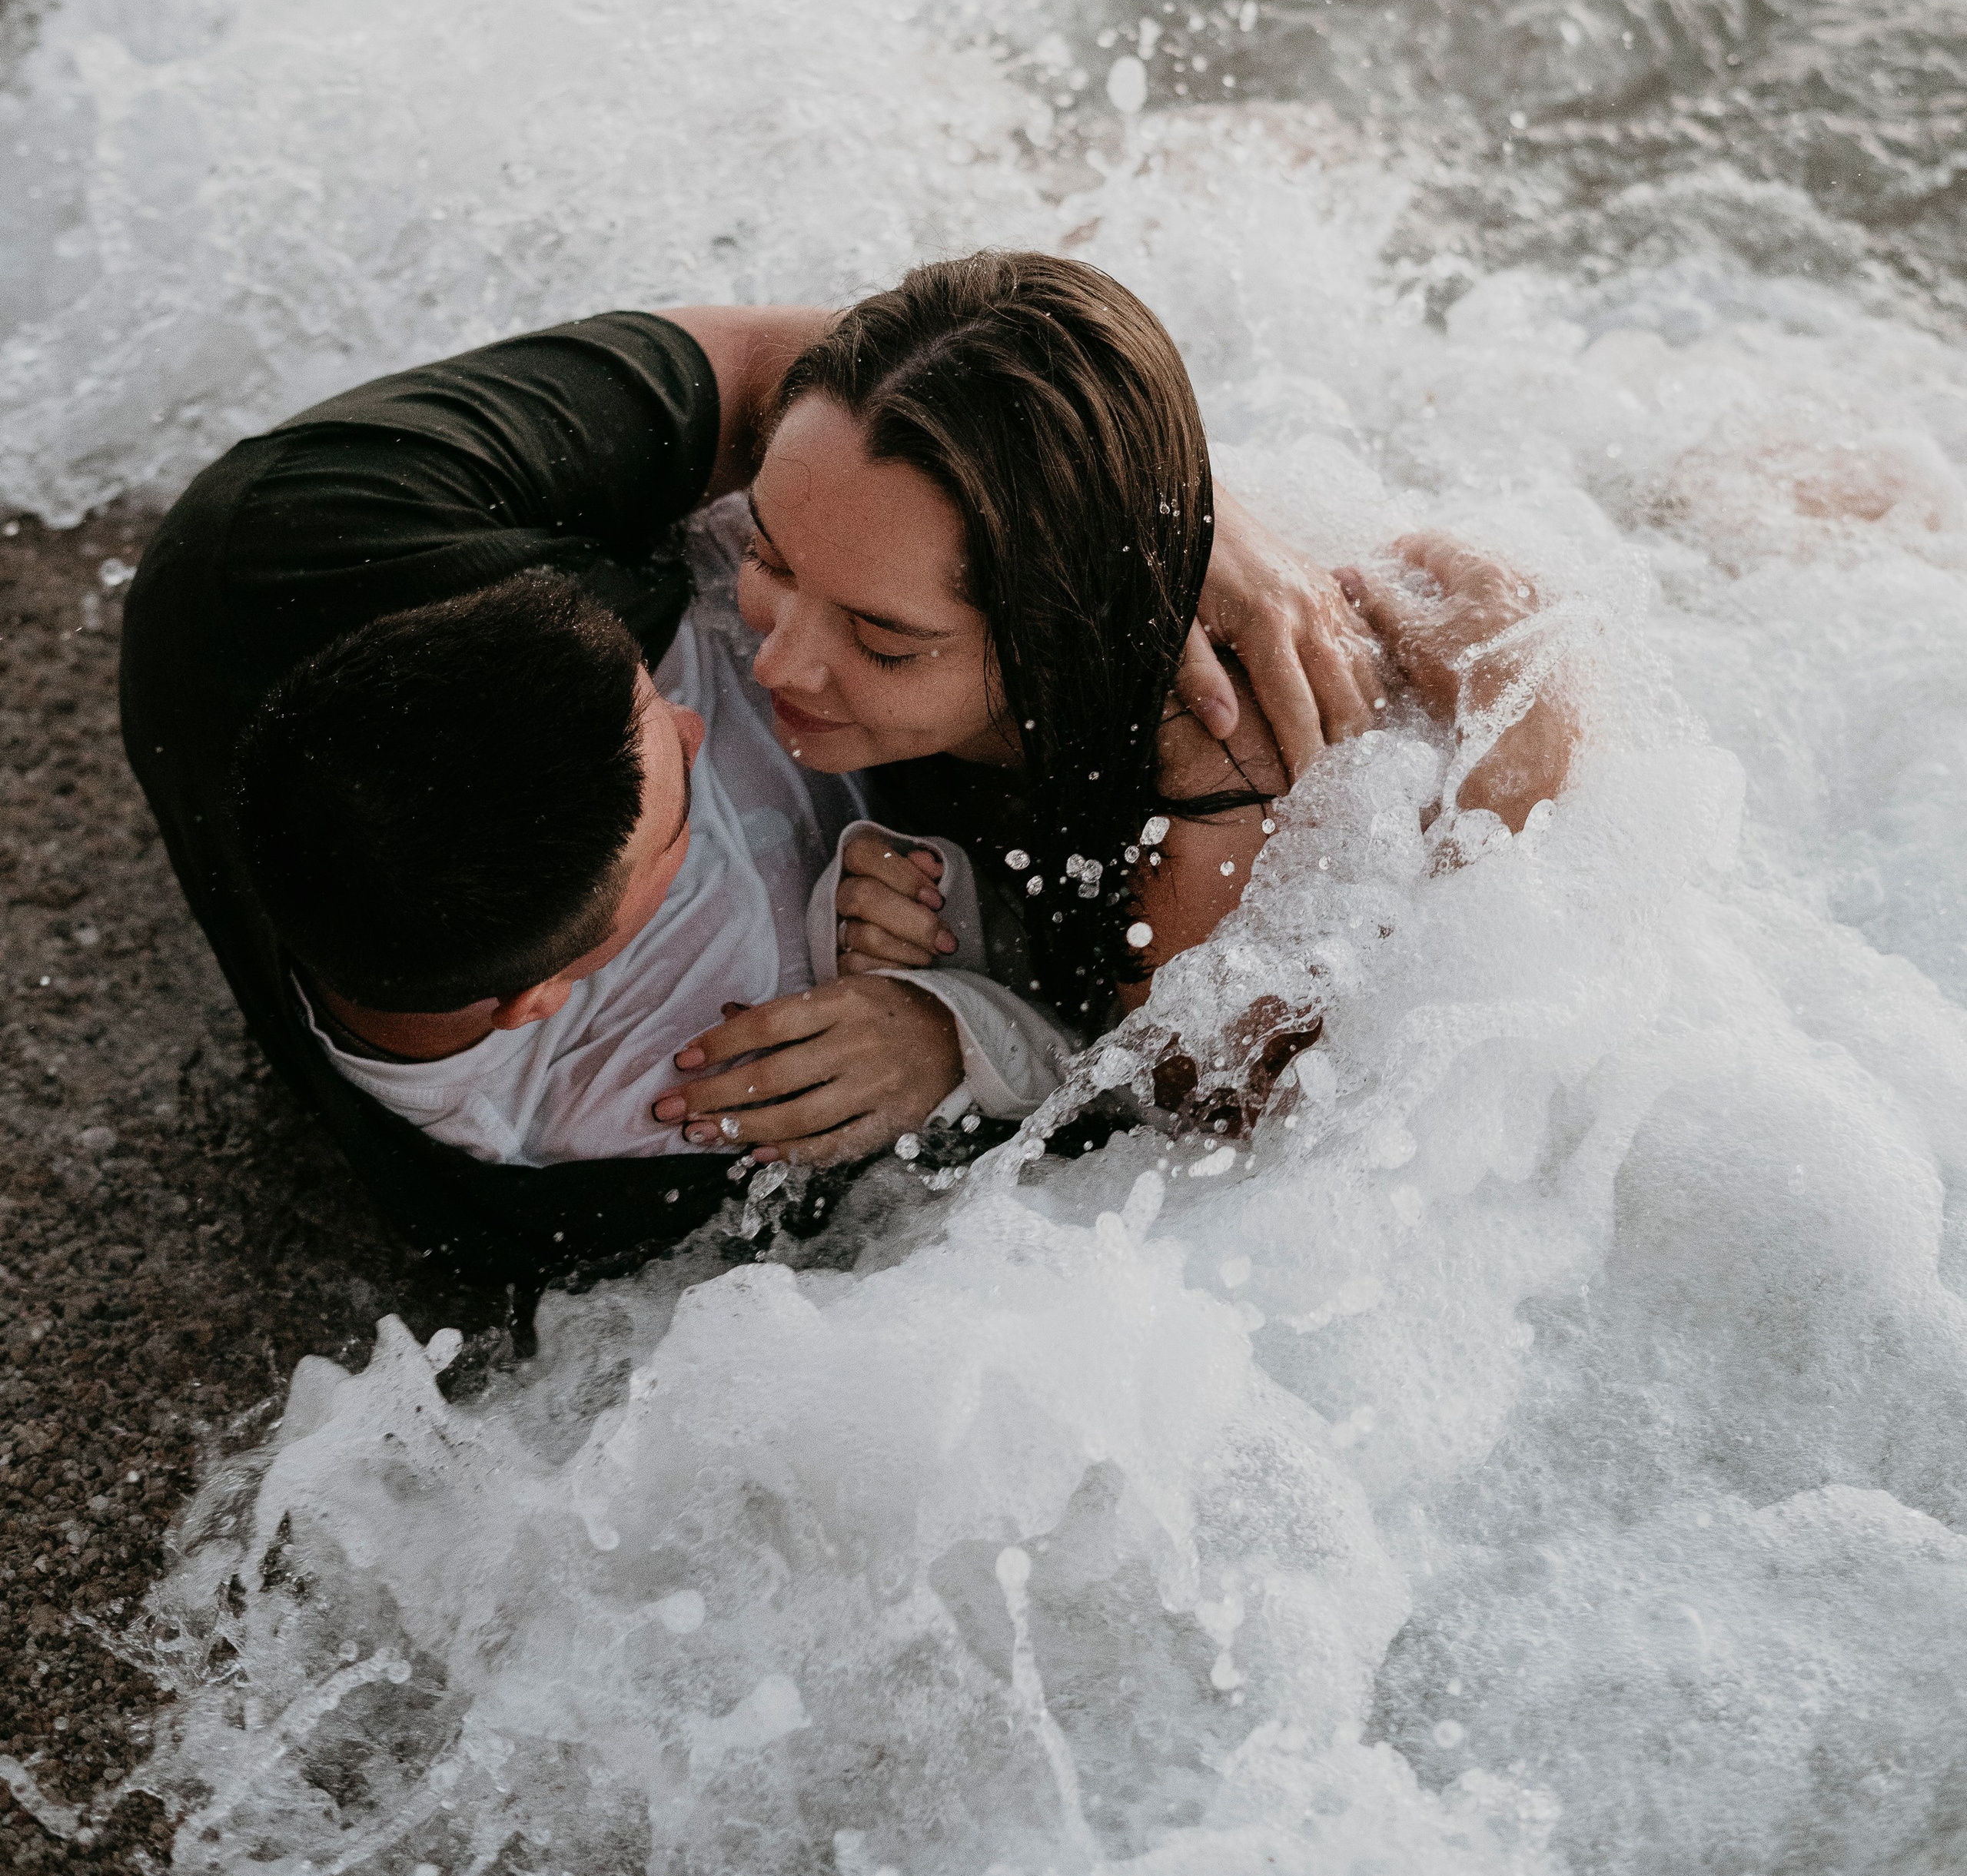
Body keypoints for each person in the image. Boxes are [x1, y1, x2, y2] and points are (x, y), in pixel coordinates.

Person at [121, 300, 1377, 1284]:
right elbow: (1181, 1131)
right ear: (543, 993)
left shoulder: (295, 547)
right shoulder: (652, 1129)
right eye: (674, 789)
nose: (753, 675)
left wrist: (1174, 513)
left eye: (637, 667)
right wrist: (954, 1018)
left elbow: (826, 366)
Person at [653, 254, 1574, 1164]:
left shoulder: (1212, 804)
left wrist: (967, 1037)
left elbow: (1225, 1154)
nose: (778, 660)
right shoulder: (860, 496)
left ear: (1060, 637)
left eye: (884, 640)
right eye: (770, 558)